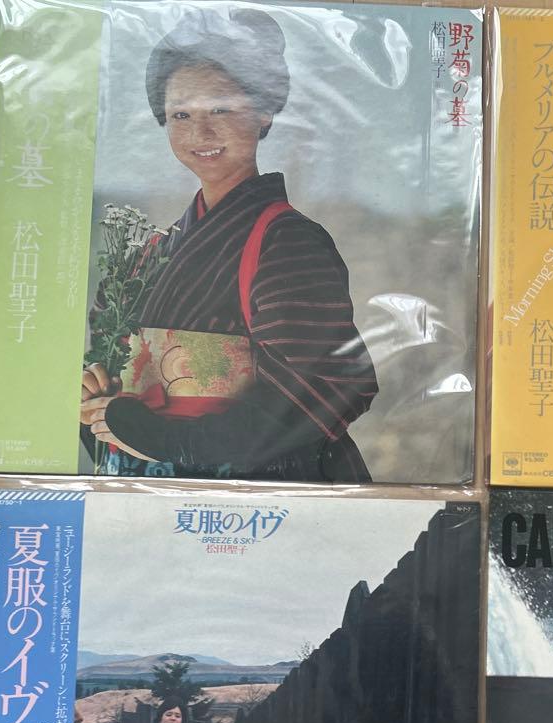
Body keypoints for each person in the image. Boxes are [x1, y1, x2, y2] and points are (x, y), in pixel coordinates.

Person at [80, 7, 378, 481]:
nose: (200, 133)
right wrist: (95, 398)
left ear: (263, 112)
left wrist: (168, 440)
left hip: (261, 491)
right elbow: (116, 386)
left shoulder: (288, 241)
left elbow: (331, 384)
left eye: (221, 109)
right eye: (181, 114)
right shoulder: (149, 254)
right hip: (149, 488)